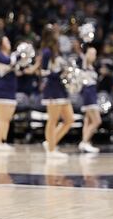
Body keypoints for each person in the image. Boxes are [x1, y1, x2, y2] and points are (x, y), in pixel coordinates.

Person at [39, 24, 73, 158]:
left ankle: (50, 143)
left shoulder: (56, 50)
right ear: (51, 35)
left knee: (69, 119)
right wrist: (59, 73)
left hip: (61, 89)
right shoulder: (47, 52)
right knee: (53, 120)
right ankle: (51, 151)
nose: (58, 34)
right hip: (52, 90)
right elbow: (43, 72)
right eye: (56, 32)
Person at [0, 36, 17, 152]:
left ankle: (3, 141)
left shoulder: (9, 56)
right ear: (1, 44)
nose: (9, 42)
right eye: (6, 41)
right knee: (0, 117)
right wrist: (18, 55)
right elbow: (9, 62)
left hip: (10, 90)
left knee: (7, 118)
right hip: (1, 91)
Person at [79, 46, 101, 154]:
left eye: (95, 54)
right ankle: (84, 142)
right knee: (97, 121)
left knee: (88, 121)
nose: (93, 56)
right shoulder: (84, 65)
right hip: (88, 94)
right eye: (91, 53)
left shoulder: (91, 66)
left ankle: (86, 142)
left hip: (92, 94)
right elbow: (81, 55)